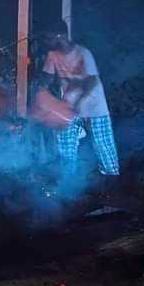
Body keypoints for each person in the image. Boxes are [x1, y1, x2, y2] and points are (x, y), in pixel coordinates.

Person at [41, 21, 119, 178]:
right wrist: (43, 96)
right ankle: (68, 182)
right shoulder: (52, 55)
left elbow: (91, 82)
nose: (47, 42)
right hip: (69, 107)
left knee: (103, 145)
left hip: (94, 107)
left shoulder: (83, 53)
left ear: (60, 36)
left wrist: (77, 104)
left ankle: (112, 180)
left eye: (49, 38)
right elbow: (46, 79)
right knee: (65, 144)